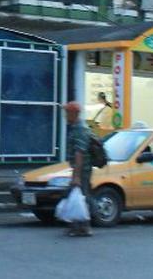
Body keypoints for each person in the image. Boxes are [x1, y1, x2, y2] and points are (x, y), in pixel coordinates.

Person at [65, 101, 93, 237]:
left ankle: (83, 226)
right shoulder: (76, 127)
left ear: (74, 113)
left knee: (81, 197)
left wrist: (76, 176)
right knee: (79, 196)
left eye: (67, 112)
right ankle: (79, 226)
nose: (65, 115)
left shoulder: (80, 129)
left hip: (82, 170)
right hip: (80, 169)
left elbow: (79, 153)